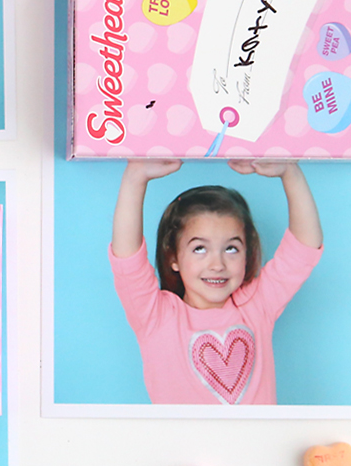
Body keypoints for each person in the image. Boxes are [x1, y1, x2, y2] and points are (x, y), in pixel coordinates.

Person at [109, 155, 323, 404]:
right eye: (199, 248)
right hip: (181, 444)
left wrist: (290, 172)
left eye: (231, 249)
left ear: (247, 254)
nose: (217, 265)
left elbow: (305, 247)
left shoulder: (255, 306)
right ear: (173, 257)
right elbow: (127, 261)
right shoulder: (156, 316)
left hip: (258, 443)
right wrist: (135, 179)